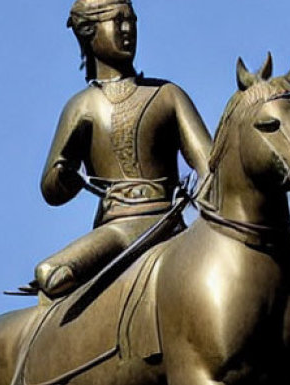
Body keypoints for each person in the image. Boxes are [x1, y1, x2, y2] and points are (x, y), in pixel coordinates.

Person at [32, 0, 212, 298]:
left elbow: (207, 162)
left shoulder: (166, 95)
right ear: (89, 32)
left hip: (166, 218)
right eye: (117, 22)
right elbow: (51, 190)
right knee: (50, 274)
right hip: (116, 230)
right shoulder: (82, 106)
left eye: (131, 21)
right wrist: (63, 176)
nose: (127, 29)